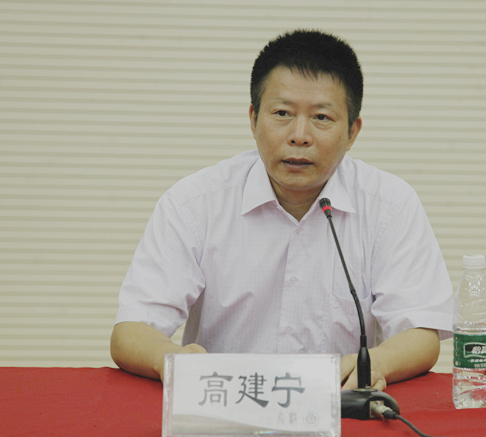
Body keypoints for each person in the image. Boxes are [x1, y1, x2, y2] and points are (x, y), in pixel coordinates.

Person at [110, 29, 453, 391]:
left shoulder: (390, 205)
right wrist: (172, 360)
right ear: (253, 119)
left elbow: (420, 331)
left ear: (352, 132)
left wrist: (375, 364)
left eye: (322, 118)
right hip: (226, 405)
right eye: (282, 113)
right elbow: (132, 329)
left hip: (340, 406)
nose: (299, 135)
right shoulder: (194, 203)